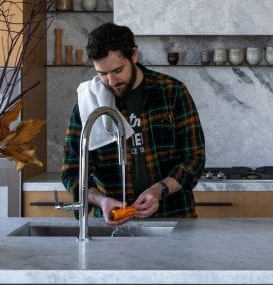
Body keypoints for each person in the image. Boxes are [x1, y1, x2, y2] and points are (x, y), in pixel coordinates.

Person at [61, 23, 205, 222]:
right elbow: (72, 171)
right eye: (102, 74)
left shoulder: (172, 92)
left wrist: (159, 190)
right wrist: (101, 201)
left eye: (117, 70)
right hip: (111, 224)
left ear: (134, 56)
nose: (111, 81)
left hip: (172, 215)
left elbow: (194, 158)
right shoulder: (89, 103)